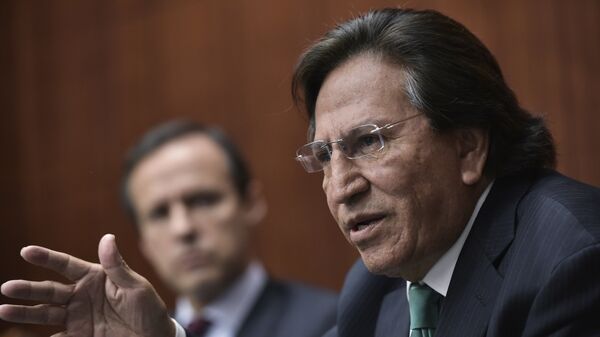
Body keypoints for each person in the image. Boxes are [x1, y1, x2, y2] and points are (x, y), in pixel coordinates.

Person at [1, 7, 599, 337]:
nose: (341, 187)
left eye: (368, 142)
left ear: (468, 147)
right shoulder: (377, 290)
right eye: (324, 156)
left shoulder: (573, 261)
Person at [0, 121, 337, 337]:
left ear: (250, 204)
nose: (183, 228)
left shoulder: (334, 323)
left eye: (203, 200)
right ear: (143, 239)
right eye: (159, 213)